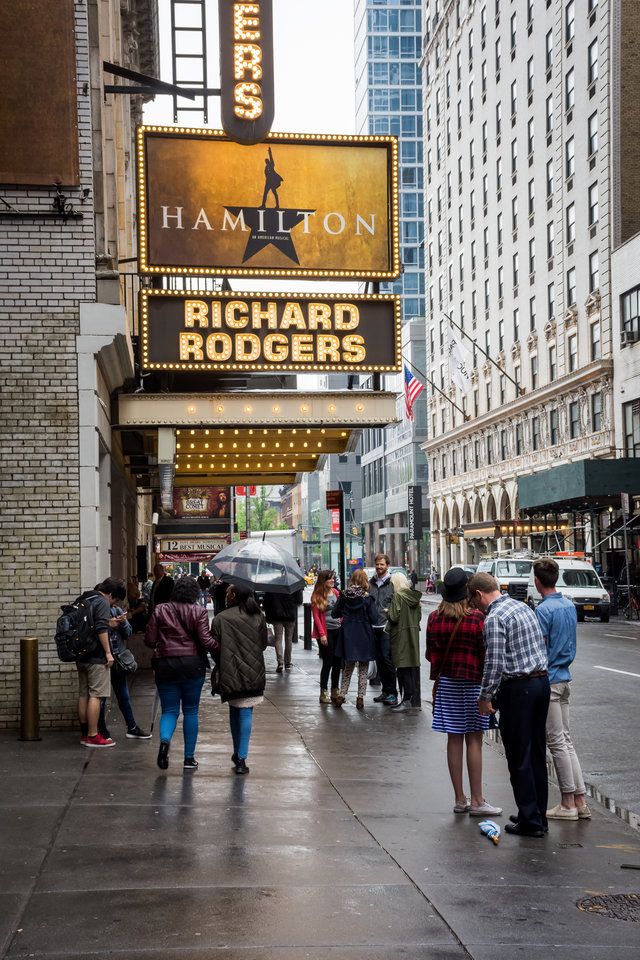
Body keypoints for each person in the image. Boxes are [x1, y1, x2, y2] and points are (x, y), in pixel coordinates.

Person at [469, 572, 550, 837]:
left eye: (475, 601)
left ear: (479, 594)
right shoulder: (521, 607)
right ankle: (536, 812)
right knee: (537, 753)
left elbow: (494, 663)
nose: (476, 607)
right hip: (541, 684)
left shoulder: (494, 618)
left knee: (519, 756)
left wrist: (485, 696)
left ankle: (530, 821)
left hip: (519, 689)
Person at [426, 569, 502, 816]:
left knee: (454, 738)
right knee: (475, 740)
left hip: (447, 683)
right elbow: (486, 655)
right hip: (473, 685)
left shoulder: (434, 618)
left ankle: (460, 799)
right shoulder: (477, 618)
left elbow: (430, 655)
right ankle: (478, 800)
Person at [533, 558, 590, 821]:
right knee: (566, 740)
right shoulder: (568, 605)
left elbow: (539, 648)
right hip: (565, 676)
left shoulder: (543, 611)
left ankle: (568, 802)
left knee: (556, 742)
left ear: (536, 581)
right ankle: (579, 800)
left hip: (550, 678)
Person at [145, 576, 218, 771]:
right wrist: (222, 648)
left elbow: (150, 640)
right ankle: (188, 759)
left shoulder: (160, 609)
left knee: (169, 710)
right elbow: (206, 641)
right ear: (194, 592)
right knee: (191, 711)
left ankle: (164, 742)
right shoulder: (199, 611)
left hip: (165, 664)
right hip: (193, 665)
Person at [211, 583, 268, 775]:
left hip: (230, 671)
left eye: (228, 593)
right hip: (254, 672)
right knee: (246, 712)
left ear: (233, 595)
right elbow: (263, 644)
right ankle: (241, 757)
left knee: (234, 710)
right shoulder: (259, 616)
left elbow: (214, 647)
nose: (226, 596)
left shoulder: (220, 618)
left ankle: (238, 753)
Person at [98, 582, 150, 741]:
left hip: (118, 658)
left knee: (123, 695)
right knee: (101, 697)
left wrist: (123, 621)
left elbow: (128, 633)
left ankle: (132, 726)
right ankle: (101, 729)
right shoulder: (99, 612)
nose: (115, 604)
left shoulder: (117, 610)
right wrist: (110, 624)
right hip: (103, 659)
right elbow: (97, 631)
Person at [76, 577, 119, 748]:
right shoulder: (102, 601)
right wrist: (108, 653)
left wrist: (110, 623)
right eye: (114, 600)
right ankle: (93, 735)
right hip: (95, 655)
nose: (112, 603)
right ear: (111, 594)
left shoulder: (84, 598)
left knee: (83, 694)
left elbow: (91, 624)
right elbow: (100, 628)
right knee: (96, 695)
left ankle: (85, 732)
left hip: (81, 654)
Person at [333, 569, 379, 709]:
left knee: (348, 667)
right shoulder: (367, 598)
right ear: (365, 581)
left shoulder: (344, 596)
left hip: (348, 635)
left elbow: (335, 613)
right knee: (363, 668)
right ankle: (360, 698)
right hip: (364, 634)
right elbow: (375, 618)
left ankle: (342, 694)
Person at [386, 572, 422, 712]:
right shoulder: (415, 598)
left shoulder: (398, 596)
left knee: (402, 669)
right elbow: (418, 617)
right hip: (412, 635)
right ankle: (409, 699)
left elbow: (394, 617)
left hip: (400, 635)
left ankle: (406, 700)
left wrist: (387, 612)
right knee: (409, 668)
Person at [369, 554, 398, 705]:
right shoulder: (371, 583)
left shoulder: (392, 582)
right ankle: (385, 692)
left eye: (382, 564)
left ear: (387, 565)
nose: (379, 567)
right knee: (379, 660)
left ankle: (393, 693)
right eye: (377, 564)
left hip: (387, 627)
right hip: (374, 626)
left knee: (388, 660)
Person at [311, 569, 342, 704]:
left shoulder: (336, 592)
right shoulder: (317, 595)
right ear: (324, 580)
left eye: (333, 578)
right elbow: (316, 617)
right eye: (329, 578)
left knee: (337, 662)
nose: (332, 580)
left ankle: (335, 690)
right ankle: (324, 692)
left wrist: (342, 621)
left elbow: (341, 609)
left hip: (337, 630)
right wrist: (322, 634)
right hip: (325, 632)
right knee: (328, 662)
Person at [263, 587, 303, 673]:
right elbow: (299, 601)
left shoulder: (272, 585)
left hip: (276, 615)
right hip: (290, 615)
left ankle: (280, 662)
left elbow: (266, 602)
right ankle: (287, 662)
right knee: (288, 639)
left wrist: (268, 616)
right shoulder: (292, 585)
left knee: (278, 639)